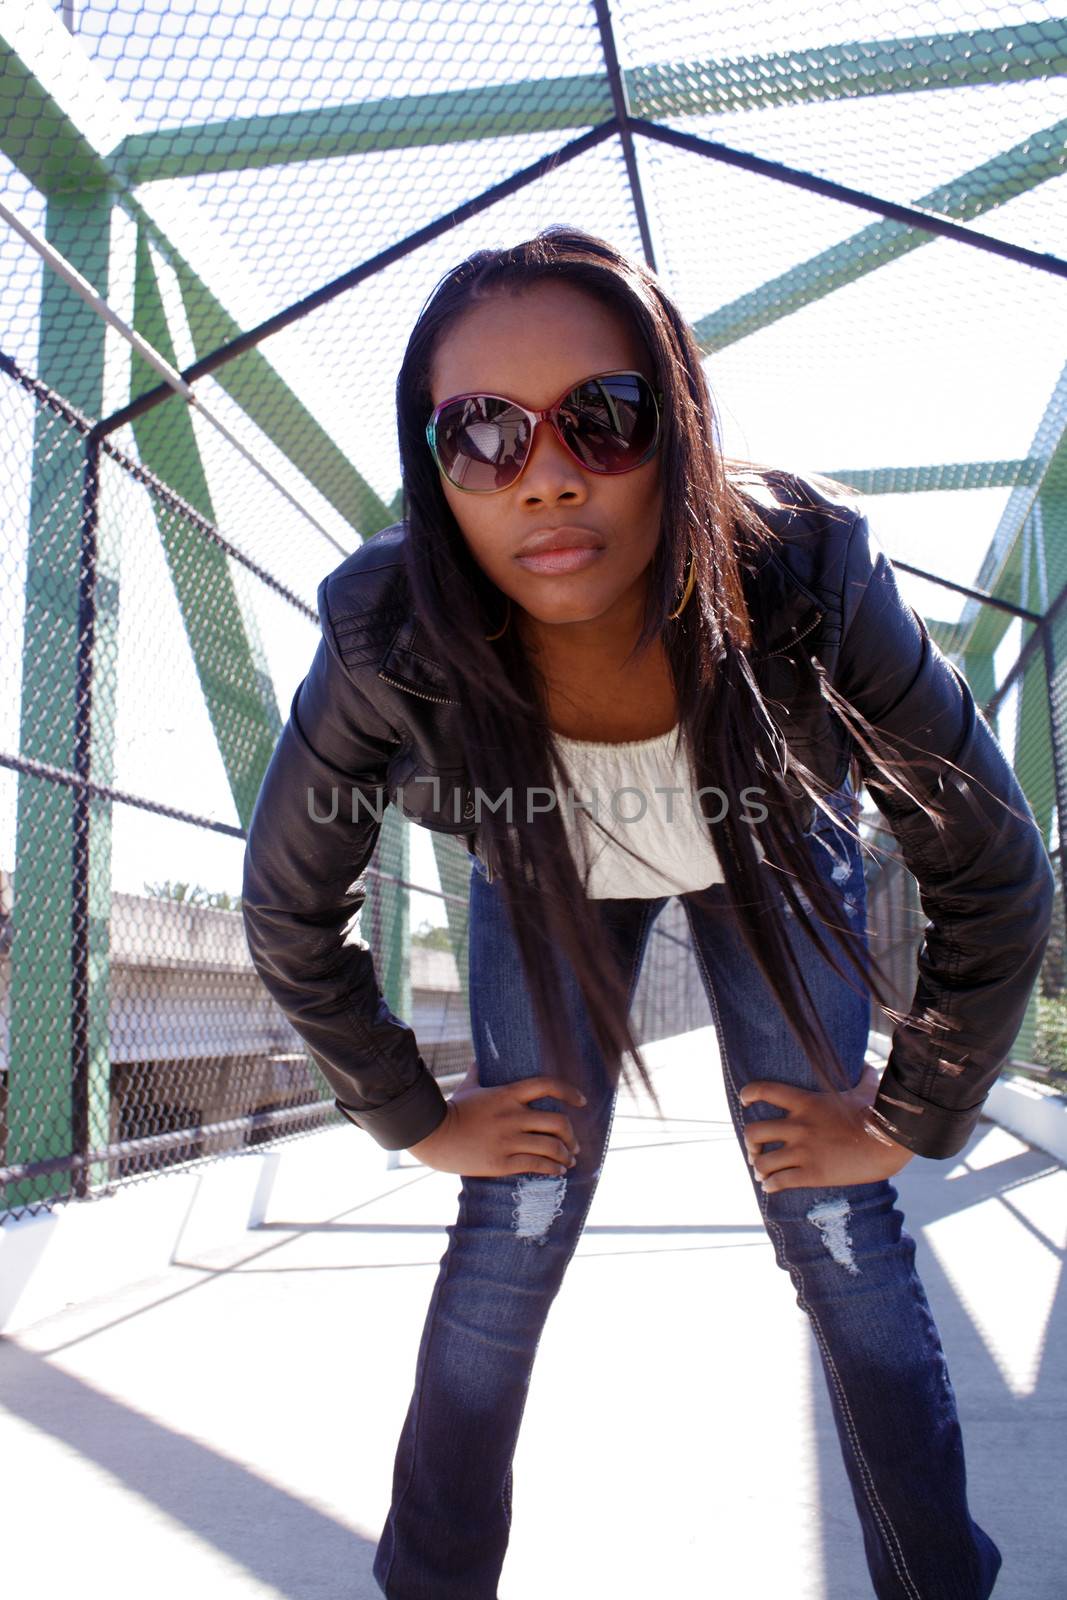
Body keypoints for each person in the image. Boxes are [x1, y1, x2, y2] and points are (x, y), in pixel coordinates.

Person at [241, 226, 1054, 1600]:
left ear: (677, 427)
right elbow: (287, 906)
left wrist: (913, 1111)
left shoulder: (809, 573)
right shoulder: (391, 626)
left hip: (768, 840)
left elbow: (993, 865)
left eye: (603, 420)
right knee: (514, 1213)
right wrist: (414, 1114)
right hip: (546, 863)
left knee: (841, 1221)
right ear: (434, 471)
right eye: (481, 433)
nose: (546, 473)